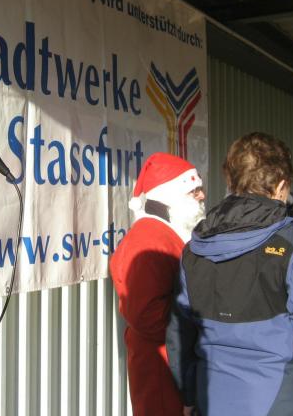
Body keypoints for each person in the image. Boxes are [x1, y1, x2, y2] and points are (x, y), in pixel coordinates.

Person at [166, 132, 293, 416]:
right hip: (284, 403)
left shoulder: (193, 250)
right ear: (281, 186)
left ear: (230, 181)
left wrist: (188, 396)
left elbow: (180, 334)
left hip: (211, 400)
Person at [109, 152, 205, 416]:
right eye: (193, 191)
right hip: (161, 370)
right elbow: (145, 314)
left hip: (174, 364)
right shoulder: (147, 240)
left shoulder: (168, 232)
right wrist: (195, 322)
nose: (202, 196)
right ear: (169, 196)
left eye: (200, 189)